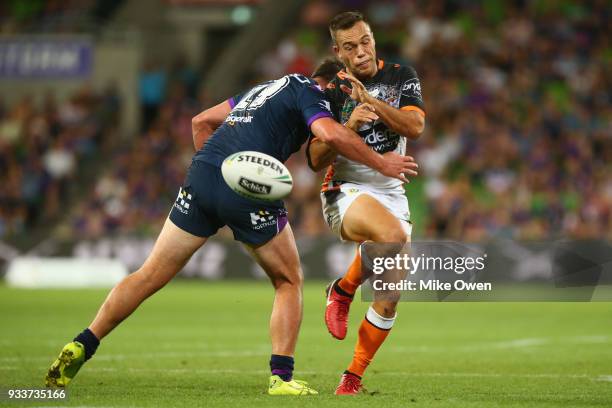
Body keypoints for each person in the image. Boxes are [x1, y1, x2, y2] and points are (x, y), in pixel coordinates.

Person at [45, 60, 419, 396]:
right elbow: (332, 135)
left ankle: (83, 342)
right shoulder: (312, 91)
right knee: (288, 280)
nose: (342, 104)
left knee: (148, 274)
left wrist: (215, 183)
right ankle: (281, 379)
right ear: (330, 82)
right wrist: (382, 164)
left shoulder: (261, 89)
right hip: (248, 181)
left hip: (203, 172)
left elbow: (200, 122)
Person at [307, 11, 426, 395]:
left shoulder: (401, 76)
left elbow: (415, 127)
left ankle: (352, 377)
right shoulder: (328, 91)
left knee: (390, 296)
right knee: (391, 235)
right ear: (337, 51)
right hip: (345, 190)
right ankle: (342, 290)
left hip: (392, 193)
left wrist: (370, 99)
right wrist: (350, 125)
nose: (361, 52)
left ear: (373, 38)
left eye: (365, 41)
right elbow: (314, 159)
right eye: (350, 47)